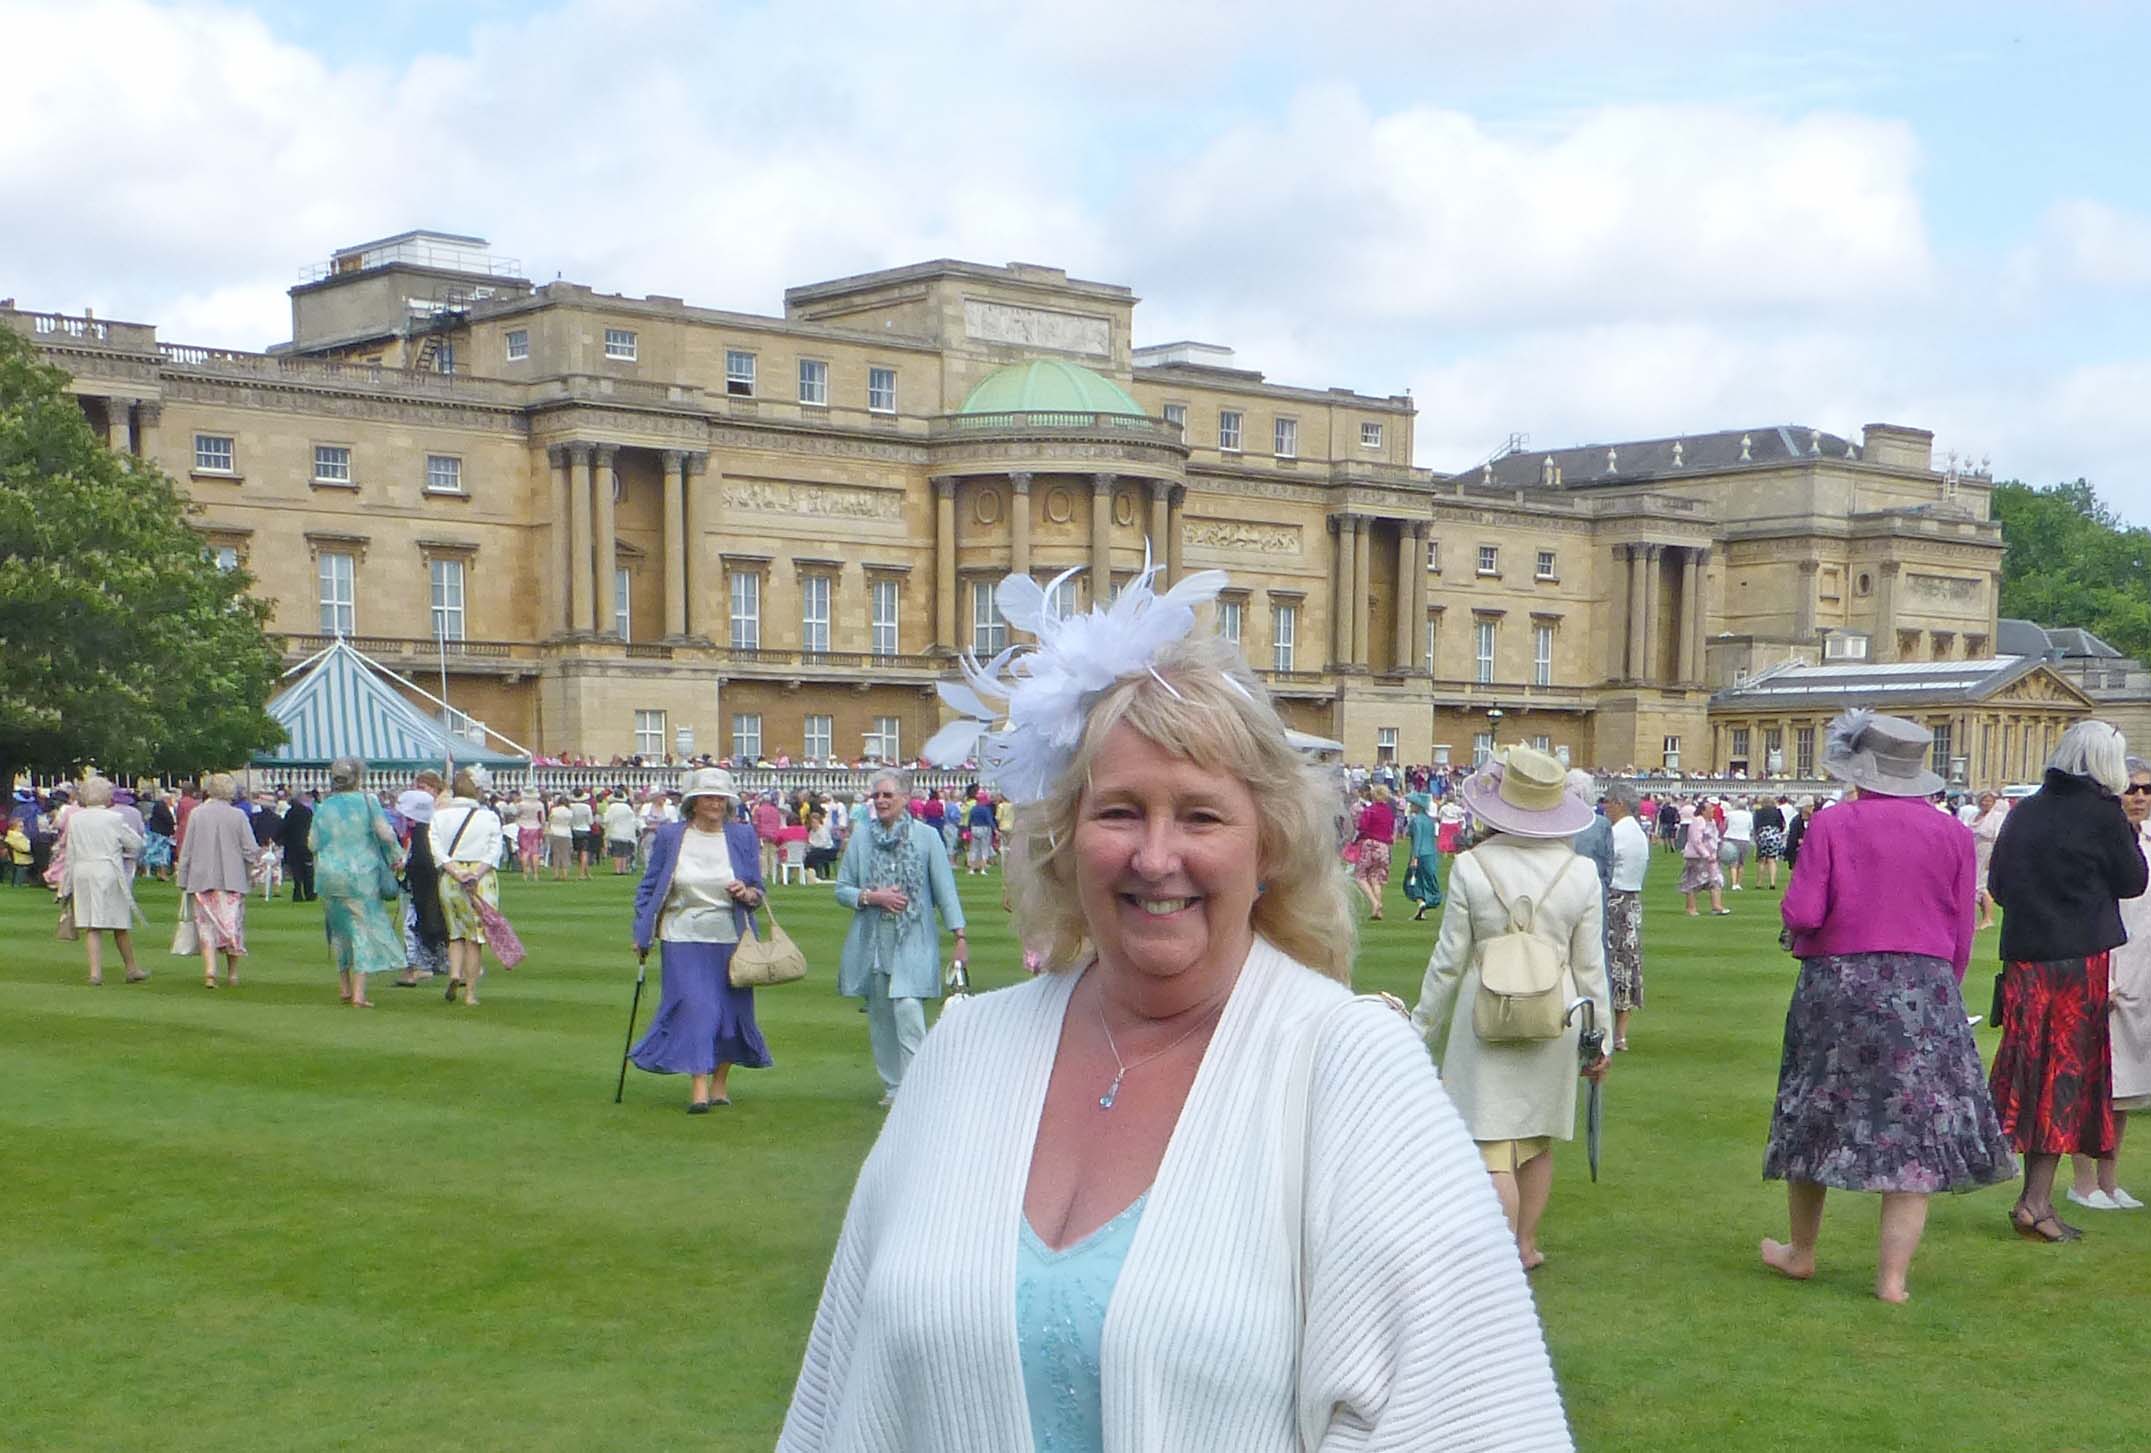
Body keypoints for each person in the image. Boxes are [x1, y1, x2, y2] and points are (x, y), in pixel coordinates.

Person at [783, 578, 1570, 1452]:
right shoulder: (963, 1050)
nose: (1155, 857)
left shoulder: (1351, 1065)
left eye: (1200, 815)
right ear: (1063, 836)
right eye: (1118, 811)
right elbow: (841, 1389)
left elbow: (1470, 1418)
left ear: (1267, 842)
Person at [1762, 711, 2015, 1302]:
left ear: (1858, 769)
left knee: (1812, 1108)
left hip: (1840, 982)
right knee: (1914, 1129)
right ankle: (1892, 1280)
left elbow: (1801, 912)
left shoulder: (1833, 824)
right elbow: (1961, 929)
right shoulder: (1952, 832)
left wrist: (1806, 939)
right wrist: (1941, 987)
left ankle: (1802, 1252)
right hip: (1923, 987)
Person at [1411, 744, 1611, 1272]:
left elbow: (1448, 961)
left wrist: (1420, 1026)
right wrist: (1602, 1038)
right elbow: (1592, 969)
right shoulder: (1580, 873)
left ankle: (1502, 1254)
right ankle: (1522, 1244)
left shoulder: (1473, 866)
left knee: (1491, 1143)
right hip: (1558, 1014)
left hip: (1488, 1011)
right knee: (1536, 1137)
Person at [1988, 720, 2148, 1242]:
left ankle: (2034, 1199)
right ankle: (2035, 1201)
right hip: (2076, 960)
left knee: (2030, 1072)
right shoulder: (2103, 815)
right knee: (2064, 1078)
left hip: (2026, 958)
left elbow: (1999, 885)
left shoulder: (2025, 811)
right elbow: (2133, 880)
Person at [630, 768, 771, 1111]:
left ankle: (720, 1083)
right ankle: (698, 1087)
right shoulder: (670, 836)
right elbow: (650, 886)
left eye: (721, 797)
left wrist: (746, 892)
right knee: (698, 1007)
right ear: (693, 803)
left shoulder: (742, 836)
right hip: (682, 935)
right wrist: (642, 930)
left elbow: (758, 891)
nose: (716, 803)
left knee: (732, 1012)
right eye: (709, 797)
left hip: (731, 936)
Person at [834, 769, 967, 1105]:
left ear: (905, 798)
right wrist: (871, 897)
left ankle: (917, 1086)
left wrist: (959, 935)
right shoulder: (862, 837)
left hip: (914, 936)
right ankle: (894, 1086)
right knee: (880, 1017)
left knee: (908, 1010)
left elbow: (944, 889)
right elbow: (842, 889)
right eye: (876, 795)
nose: (880, 801)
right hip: (874, 938)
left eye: (887, 795)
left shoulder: (926, 837)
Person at [2068, 755, 2151, 1211]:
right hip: (2104, 972)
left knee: (2126, 1089)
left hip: (2143, 977)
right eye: (2131, 788)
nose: (2139, 797)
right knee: (2093, 1085)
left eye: (2147, 790)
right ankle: (2082, 1183)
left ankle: (2110, 1178)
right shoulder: (2095, 844)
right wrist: (2104, 975)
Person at [310, 755, 408, 1007]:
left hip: (329, 874)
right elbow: (385, 833)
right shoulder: (368, 801)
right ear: (358, 778)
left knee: (339, 931)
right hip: (360, 873)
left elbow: (312, 842)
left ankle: (344, 986)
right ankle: (359, 994)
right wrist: (397, 855)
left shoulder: (324, 806)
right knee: (361, 928)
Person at [175, 773, 262, 989]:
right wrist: (253, 868)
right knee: (232, 926)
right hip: (232, 879)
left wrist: (183, 877)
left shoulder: (197, 814)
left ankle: (210, 971)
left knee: (206, 927)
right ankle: (232, 974)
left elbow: (187, 849)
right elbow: (250, 849)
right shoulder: (238, 815)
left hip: (202, 877)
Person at [59, 776, 145, 985]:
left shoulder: (75, 819)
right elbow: (136, 844)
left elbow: (70, 854)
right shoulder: (113, 818)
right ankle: (131, 968)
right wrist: (123, 853)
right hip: (107, 870)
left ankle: (95, 973)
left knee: (92, 925)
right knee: (119, 923)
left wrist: (65, 887)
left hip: (82, 871)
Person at [432, 769, 505, 1008]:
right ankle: (470, 992)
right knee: (475, 937)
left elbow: (437, 849)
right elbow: (494, 850)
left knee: (455, 932)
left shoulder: (440, 816)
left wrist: (455, 871)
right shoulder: (489, 817)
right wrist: (477, 873)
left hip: (451, 876)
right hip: (480, 877)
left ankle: (455, 972)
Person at [1605, 781, 1650, 1051]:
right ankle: (1620, 1034)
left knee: (1610, 965)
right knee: (1627, 966)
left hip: (1615, 901)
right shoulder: (1637, 832)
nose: (1605, 808)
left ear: (1618, 803)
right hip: (1631, 903)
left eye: (1608, 802)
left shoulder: (1617, 833)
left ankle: (1606, 1031)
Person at [1352, 782, 1397, 920]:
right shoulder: (1389, 813)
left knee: (1360, 876)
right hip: (1384, 847)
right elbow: (1391, 830)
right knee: (1375, 878)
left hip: (1370, 844)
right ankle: (1377, 911)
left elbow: (1362, 827)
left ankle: (1375, 903)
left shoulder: (1370, 810)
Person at [1680, 798, 1728, 916]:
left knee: (1716, 880)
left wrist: (1715, 852)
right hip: (1697, 857)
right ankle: (1691, 908)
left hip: (1711, 857)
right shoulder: (1698, 821)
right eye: (1710, 808)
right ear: (1703, 811)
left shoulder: (1712, 822)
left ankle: (1717, 906)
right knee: (1693, 882)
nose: (1712, 810)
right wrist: (1705, 854)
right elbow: (1696, 840)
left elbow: (1714, 839)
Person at [1402, 789, 1445, 920]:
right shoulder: (1430, 820)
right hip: (1431, 853)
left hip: (1420, 854)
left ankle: (1423, 902)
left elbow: (1418, 839)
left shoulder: (1416, 821)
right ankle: (1422, 907)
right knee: (1427, 880)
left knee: (1412, 882)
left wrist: (1414, 857)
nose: (1410, 806)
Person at [1970, 790, 2008, 931]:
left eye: (1989, 801)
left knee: (1982, 885)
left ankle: (1988, 918)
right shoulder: (1975, 815)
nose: (1985, 803)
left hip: (1987, 851)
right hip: (1974, 851)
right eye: (1983, 800)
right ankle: (1976, 918)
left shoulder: (1998, 817)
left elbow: (1999, 837)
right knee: (1973, 884)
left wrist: (1994, 856)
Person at [279, 790, 316, 901]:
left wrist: (277, 839)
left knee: (296, 871)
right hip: (306, 844)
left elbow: (284, 828)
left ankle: (297, 892)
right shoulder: (308, 812)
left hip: (292, 846)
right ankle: (310, 893)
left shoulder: (290, 813)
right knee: (308, 870)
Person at [1753, 795, 1787, 890]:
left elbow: (1756, 825)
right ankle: (1772, 882)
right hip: (1774, 834)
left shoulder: (1758, 812)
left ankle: (1759, 882)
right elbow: (1782, 824)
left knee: (1762, 860)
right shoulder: (1777, 811)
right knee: (1772, 859)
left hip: (1762, 834)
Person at [603, 791, 640, 876]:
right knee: (624, 852)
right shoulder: (627, 807)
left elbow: (607, 819)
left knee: (617, 852)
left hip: (615, 832)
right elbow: (633, 820)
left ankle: (617, 869)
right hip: (627, 833)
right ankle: (623, 869)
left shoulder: (612, 807)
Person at [1721, 795, 1754, 891]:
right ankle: (1738, 883)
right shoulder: (1749, 815)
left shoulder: (1730, 814)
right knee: (1741, 863)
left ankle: (1734, 883)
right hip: (1744, 838)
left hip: (1731, 837)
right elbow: (1751, 828)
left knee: (1733, 862)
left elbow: (1725, 825)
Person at [142, 791, 176, 881]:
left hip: (158, 833)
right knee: (163, 854)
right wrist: (173, 824)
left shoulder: (159, 806)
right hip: (161, 834)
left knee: (160, 854)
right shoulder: (162, 807)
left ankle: (159, 873)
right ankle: (162, 874)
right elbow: (168, 819)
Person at [965, 788, 997, 874]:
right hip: (984, 828)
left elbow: (969, 820)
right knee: (984, 849)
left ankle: (971, 868)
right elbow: (990, 820)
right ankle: (982, 869)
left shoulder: (974, 809)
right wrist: (995, 830)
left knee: (974, 849)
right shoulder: (986, 809)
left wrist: (968, 830)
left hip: (974, 828)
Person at [513, 791, 545, 880]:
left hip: (524, 827)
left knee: (524, 851)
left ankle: (525, 874)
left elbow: (516, 814)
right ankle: (535, 874)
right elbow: (542, 818)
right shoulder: (539, 804)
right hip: (535, 827)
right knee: (535, 852)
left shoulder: (522, 804)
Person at [803, 807, 839, 881]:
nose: (813, 824)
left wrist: (813, 845)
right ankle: (809, 873)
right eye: (812, 823)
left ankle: (816, 874)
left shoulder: (823, 830)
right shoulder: (811, 832)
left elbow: (823, 843)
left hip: (828, 851)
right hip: (817, 850)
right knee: (809, 854)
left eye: (814, 822)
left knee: (813, 854)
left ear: (819, 821)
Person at [546, 794, 575, 881]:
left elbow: (550, 820)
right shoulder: (569, 812)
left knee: (556, 854)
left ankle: (556, 874)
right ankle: (565, 874)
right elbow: (571, 823)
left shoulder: (554, 810)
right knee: (565, 854)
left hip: (555, 832)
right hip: (566, 833)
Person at [568, 791, 596, 879]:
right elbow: (590, 821)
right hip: (585, 829)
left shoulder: (571, 807)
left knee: (579, 852)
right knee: (584, 852)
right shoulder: (587, 807)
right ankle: (582, 874)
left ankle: (586, 873)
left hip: (574, 829)